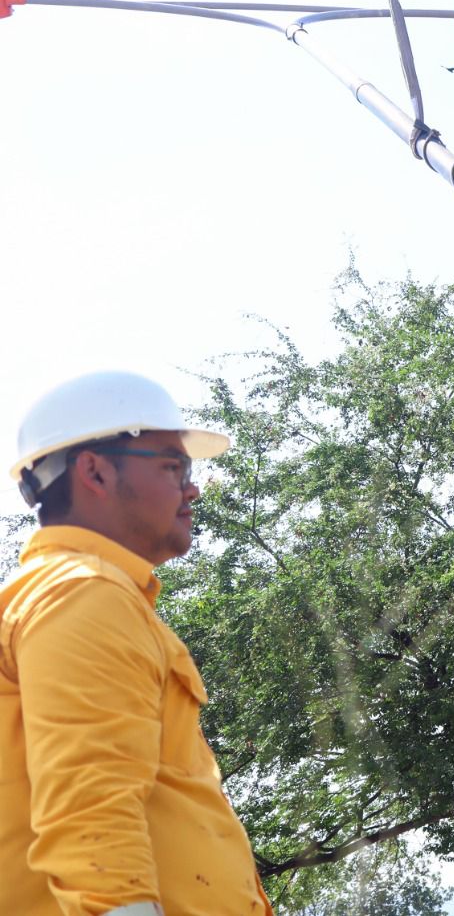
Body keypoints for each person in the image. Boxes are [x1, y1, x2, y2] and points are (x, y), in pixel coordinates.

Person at [1, 371, 272, 915]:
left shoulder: (82, 593)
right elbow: (90, 817)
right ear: (95, 470)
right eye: (174, 466)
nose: (192, 488)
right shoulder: (82, 594)